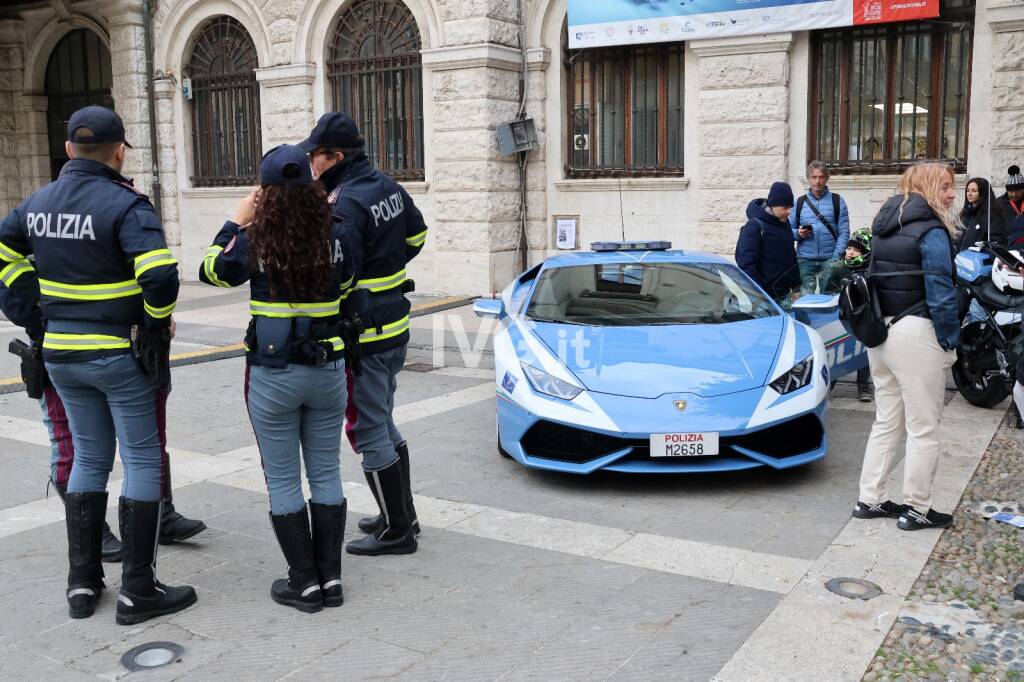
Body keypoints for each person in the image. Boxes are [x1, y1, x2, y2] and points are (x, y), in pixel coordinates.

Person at [0, 105, 196, 623]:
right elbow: (160, 276)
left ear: (68, 149)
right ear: (118, 151)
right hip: (117, 353)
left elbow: (5, 253)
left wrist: (34, 315)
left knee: (88, 460)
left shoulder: (36, 204)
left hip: (62, 356)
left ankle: (83, 584)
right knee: (142, 460)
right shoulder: (126, 205)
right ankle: (138, 591)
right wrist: (155, 326)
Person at [200, 144, 356, 613]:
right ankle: (332, 580)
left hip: (273, 375)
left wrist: (236, 221)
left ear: (264, 193)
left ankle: (303, 583)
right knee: (327, 472)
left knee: (284, 479)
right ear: (312, 188)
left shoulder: (255, 239)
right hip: (328, 371)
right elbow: (348, 285)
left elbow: (212, 272)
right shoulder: (338, 231)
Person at [298, 112, 428, 556]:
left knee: (368, 426)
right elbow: (417, 236)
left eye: (315, 156)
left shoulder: (344, 202)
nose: (311, 163)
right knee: (383, 419)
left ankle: (397, 531)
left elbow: (340, 273)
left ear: (335, 156)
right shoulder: (386, 185)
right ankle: (401, 512)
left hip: (365, 333)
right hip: (393, 324)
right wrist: (387, 267)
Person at [852, 163, 961, 531]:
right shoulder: (930, 230)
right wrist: (950, 340)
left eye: (952, 187)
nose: (951, 195)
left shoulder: (885, 226)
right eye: (945, 187)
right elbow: (941, 292)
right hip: (916, 333)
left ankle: (870, 499)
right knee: (923, 427)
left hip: (880, 335)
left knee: (887, 422)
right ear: (927, 187)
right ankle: (917, 508)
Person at [42, 385, 207, 562]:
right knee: (68, 441)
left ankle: (159, 514)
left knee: (147, 437)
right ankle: (92, 536)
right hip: (58, 365)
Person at [824, 228, 875, 402]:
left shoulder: (870, 270)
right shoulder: (839, 268)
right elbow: (826, 292)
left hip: (861, 317)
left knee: (862, 351)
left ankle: (864, 386)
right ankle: (830, 384)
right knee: (836, 351)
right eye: (849, 248)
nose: (851, 252)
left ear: (866, 252)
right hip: (839, 318)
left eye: (857, 249)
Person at [735, 181, 802, 303]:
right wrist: (761, 294)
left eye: (790, 207)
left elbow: (791, 257)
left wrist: (796, 287)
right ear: (773, 205)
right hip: (764, 299)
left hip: (784, 296)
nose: (789, 211)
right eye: (785, 207)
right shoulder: (754, 227)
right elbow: (746, 265)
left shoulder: (785, 224)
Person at [791, 161, 850, 294]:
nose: (817, 181)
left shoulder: (837, 201)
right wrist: (798, 233)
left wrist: (835, 257)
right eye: (814, 177)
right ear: (808, 178)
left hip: (830, 259)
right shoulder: (799, 203)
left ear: (826, 178)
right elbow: (788, 230)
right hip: (805, 260)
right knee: (806, 300)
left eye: (821, 177)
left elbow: (844, 232)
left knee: (830, 299)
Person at [956, 177, 1007, 251]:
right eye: (968, 190)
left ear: (982, 192)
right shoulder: (964, 214)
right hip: (958, 259)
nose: (969, 194)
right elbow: (954, 237)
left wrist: (982, 250)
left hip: (977, 259)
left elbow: (996, 242)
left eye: (974, 191)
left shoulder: (992, 216)